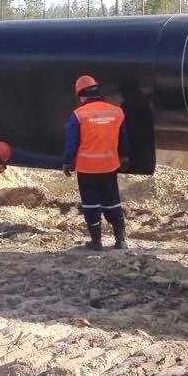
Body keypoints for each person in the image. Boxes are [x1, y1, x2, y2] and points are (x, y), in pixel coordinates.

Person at [63, 74, 129, 251]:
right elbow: (123, 139)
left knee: (91, 204)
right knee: (112, 201)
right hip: (109, 166)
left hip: (87, 168)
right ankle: (120, 240)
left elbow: (71, 141)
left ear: (81, 95)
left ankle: (96, 242)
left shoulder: (78, 114)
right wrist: (124, 158)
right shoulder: (116, 112)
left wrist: (68, 162)